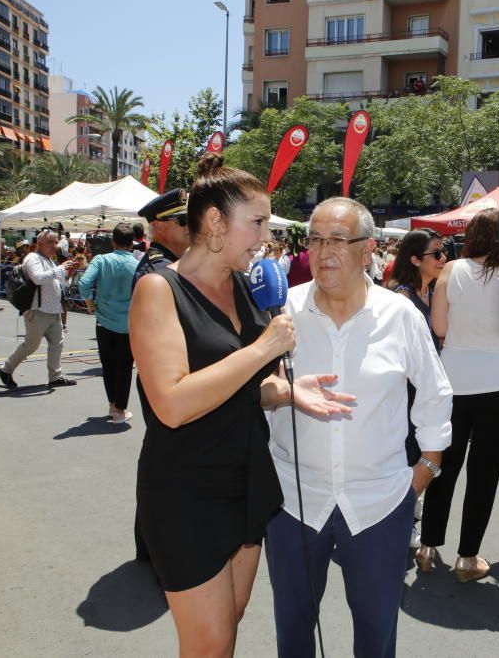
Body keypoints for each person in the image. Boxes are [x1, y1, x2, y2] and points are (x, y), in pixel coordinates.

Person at [130, 154, 353, 657]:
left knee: (226, 629)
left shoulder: (243, 285)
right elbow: (172, 404)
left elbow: (244, 388)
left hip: (248, 478)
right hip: (186, 490)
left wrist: (289, 391)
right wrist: (263, 349)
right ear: (213, 222)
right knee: (208, 644)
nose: (264, 236)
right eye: (256, 223)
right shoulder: (157, 290)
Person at [266, 197, 452, 658]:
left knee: (375, 633)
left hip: (380, 504)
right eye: (315, 239)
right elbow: (259, 386)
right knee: (292, 632)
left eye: (337, 240)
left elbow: (434, 393)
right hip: (294, 499)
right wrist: (284, 391)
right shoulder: (284, 311)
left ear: (368, 249)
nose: (323, 250)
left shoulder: (400, 314)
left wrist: (425, 469)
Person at [417, 203, 499, 581]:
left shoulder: (451, 270)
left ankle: (427, 545)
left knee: (443, 465)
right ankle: (467, 557)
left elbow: (439, 327)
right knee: (484, 473)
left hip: (453, 382)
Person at [385, 227, 448, 548]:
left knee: (422, 451)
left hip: (427, 387)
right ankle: (402, 518)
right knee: (408, 452)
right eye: (436, 254)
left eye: (444, 251)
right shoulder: (401, 297)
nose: (443, 258)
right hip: (404, 390)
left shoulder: (436, 293)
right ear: (414, 258)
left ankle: (408, 510)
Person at [0, 230, 79, 389]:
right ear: (40, 243)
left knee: (58, 343)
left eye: (56, 243)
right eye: (51, 242)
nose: (54, 246)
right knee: (31, 346)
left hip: (53, 311)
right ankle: (6, 369)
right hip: (38, 311)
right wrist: (61, 268)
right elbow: (38, 277)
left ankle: (55, 376)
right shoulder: (32, 258)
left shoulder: (50, 260)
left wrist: (69, 272)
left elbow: (60, 283)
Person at [79, 223, 138, 424]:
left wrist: (89, 304)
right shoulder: (138, 263)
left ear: (113, 241)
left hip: (104, 321)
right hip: (129, 324)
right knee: (124, 367)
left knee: (108, 365)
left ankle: (113, 404)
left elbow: (84, 283)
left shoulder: (101, 260)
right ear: (132, 243)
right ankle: (120, 410)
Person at [132, 189, 192, 292]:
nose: (189, 226)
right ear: (159, 227)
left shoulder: (169, 263)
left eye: (191, 219)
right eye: (183, 220)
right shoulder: (157, 271)